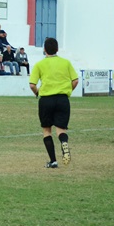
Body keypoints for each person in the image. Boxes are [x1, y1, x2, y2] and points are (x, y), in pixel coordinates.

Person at [29, 37, 78, 169]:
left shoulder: (39, 65)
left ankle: (53, 161)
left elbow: (32, 85)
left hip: (46, 99)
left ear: (44, 50)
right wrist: (67, 91)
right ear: (57, 49)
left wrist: (37, 93)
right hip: (62, 99)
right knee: (61, 130)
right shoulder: (66, 63)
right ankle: (64, 143)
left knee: (46, 131)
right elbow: (75, 81)